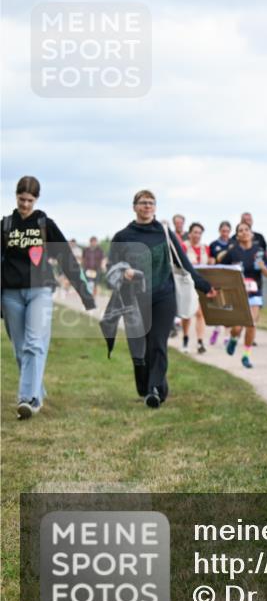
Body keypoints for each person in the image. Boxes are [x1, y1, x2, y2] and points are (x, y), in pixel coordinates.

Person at [107, 190, 214, 408]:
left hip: (163, 295)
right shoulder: (123, 236)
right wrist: (124, 271)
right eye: (143, 203)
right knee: (140, 347)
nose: (147, 206)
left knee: (157, 343)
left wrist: (203, 285)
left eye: (151, 203)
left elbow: (183, 262)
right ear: (134, 206)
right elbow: (111, 267)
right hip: (133, 299)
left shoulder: (163, 232)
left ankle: (154, 389)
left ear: (155, 207)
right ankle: (150, 385)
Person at [1, 176, 96, 419]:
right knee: (21, 350)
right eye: (21, 199)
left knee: (34, 344)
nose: (24, 205)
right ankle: (36, 391)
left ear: (37, 199)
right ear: (15, 196)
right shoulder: (6, 225)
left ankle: (28, 399)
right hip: (10, 293)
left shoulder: (45, 224)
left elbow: (66, 258)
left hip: (40, 291)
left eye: (29, 200)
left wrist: (85, 294)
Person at [219, 221, 267, 368]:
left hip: (255, 292)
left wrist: (263, 268)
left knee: (251, 323)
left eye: (246, 229)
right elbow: (221, 269)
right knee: (236, 328)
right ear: (237, 235)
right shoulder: (232, 252)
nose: (244, 232)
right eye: (240, 231)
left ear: (251, 233)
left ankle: (246, 356)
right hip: (237, 293)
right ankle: (234, 339)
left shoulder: (259, 251)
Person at [180, 222, 210, 354]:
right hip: (187, 283)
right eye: (195, 232)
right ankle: (185, 338)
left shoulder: (205, 248)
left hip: (200, 283)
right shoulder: (183, 246)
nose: (197, 235)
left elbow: (209, 263)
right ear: (190, 233)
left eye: (199, 233)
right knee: (187, 313)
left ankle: (200, 342)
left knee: (200, 313)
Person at [207, 221, 231, 345]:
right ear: (219, 231)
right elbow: (210, 260)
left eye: (227, 231)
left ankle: (227, 336)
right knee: (219, 305)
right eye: (223, 231)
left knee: (229, 306)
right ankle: (217, 329)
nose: (225, 233)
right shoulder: (213, 245)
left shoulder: (233, 244)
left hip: (230, 278)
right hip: (217, 277)